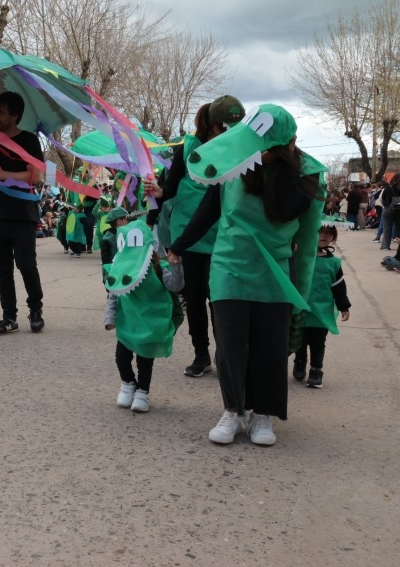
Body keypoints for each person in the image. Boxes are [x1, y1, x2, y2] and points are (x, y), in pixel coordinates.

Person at [168, 103, 323, 447]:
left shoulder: (307, 175)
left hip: (275, 271)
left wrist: (302, 292)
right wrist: (179, 245)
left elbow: (305, 237)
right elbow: (208, 210)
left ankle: (263, 413)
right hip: (229, 264)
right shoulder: (233, 163)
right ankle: (234, 410)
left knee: (270, 346)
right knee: (230, 343)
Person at [158, 95, 245, 378]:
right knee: (195, 300)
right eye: (225, 127)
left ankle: (224, 354)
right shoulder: (187, 148)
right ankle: (201, 354)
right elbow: (170, 187)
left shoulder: (235, 149)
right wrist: (157, 192)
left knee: (219, 299)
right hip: (189, 236)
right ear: (213, 126)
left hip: (222, 236)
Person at [0, 91, 45, 335]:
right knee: (2, 271)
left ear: (15, 115)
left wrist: (5, 174)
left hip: (22, 214)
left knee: (26, 265)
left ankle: (35, 309)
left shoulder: (28, 140)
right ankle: (9, 316)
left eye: (1, 112)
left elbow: (35, 176)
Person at [104, 219, 184, 412]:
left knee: (145, 360)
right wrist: (110, 317)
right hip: (128, 322)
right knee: (121, 357)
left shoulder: (159, 266)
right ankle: (128, 383)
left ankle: (142, 391)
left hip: (150, 324)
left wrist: (176, 266)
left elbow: (175, 286)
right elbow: (114, 293)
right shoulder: (121, 268)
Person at [293, 219, 351, 389]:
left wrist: (344, 307)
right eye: (320, 232)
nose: (324, 236)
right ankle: (300, 361)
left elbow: (339, 287)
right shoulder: (301, 257)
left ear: (333, 238)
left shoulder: (333, 263)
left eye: (328, 233)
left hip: (321, 313)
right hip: (301, 309)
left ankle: (316, 371)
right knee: (300, 340)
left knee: (318, 342)